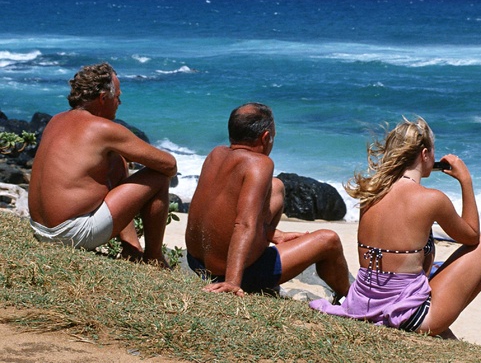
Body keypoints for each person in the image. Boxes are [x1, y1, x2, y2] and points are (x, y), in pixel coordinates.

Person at [309, 117, 481, 338]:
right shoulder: (431, 199)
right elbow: (472, 237)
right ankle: (436, 322)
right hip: (407, 316)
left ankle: (439, 326)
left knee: (422, 247)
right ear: (425, 155)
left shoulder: (371, 191)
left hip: (361, 305)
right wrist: (466, 181)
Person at [185, 102, 350, 298]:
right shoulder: (260, 164)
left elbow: (218, 211)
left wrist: (274, 234)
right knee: (328, 240)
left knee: (277, 186)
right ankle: (349, 298)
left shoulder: (216, 154)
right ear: (265, 137)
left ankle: (263, 241)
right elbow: (245, 223)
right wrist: (232, 281)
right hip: (234, 274)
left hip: (196, 263)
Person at [28, 62, 177, 268]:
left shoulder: (56, 120)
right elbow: (169, 165)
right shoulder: (104, 129)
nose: (120, 103)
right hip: (70, 234)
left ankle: (131, 246)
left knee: (116, 161)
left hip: (40, 229)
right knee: (158, 177)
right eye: (118, 97)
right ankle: (154, 258)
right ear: (102, 98)